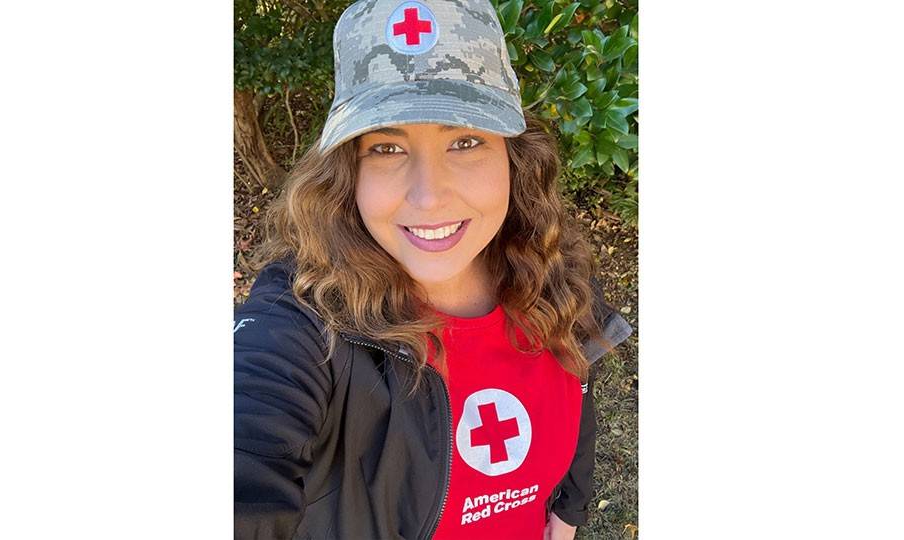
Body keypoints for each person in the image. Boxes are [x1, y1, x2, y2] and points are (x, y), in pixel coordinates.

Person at [234, 0, 632, 538]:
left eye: (466, 140)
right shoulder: (301, 324)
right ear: (346, 173)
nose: (427, 197)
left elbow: (577, 397)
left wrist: (567, 513)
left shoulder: (553, 275)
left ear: (516, 159)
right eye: (386, 147)